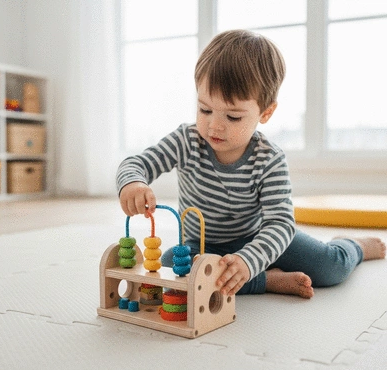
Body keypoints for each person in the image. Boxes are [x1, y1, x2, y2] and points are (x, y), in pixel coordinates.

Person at [116, 29, 386, 299]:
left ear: (265, 112)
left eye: (233, 117)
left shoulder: (269, 159)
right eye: (205, 110)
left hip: (258, 238)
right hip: (201, 245)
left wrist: (248, 260)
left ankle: (354, 246)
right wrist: (133, 182)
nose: (215, 125)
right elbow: (136, 163)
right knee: (169, 272)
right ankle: (268, 281)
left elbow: (280, 224)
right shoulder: (186, 140)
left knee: (330, 268)